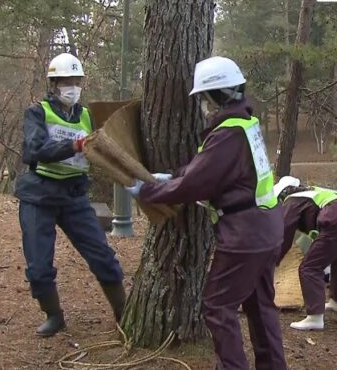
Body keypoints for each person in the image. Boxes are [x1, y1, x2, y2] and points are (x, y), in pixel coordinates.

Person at [126, 56, 287, 370]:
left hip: (244, 236)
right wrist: (175, 174)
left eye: (205, 99)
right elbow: (210, 166)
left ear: (217, 95)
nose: (205, 106)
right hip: (267, 229)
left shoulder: (229, 132)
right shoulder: (245, 124)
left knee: (217, 305)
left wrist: (149, 191)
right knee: (260, 306)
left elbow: (199, 183)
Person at [15, 53, 125, 337]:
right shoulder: (37, 112)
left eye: (77, 81)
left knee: (103, 256)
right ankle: (54, 315)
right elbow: (34, 151)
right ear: (54, 84)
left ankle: (124, 314)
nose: (72, 87)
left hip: (74, 196)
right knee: (39, 266)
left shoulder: (87, 115)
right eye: (66, 81)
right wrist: (75, 146)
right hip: (39, 196)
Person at [272, 176, 337, 331]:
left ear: (283, 194)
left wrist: (272, 261)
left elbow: (284, 234)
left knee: (309, 268)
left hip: (336, 221)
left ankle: (315, 317)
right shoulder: (314, 192)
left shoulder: (293, 200)